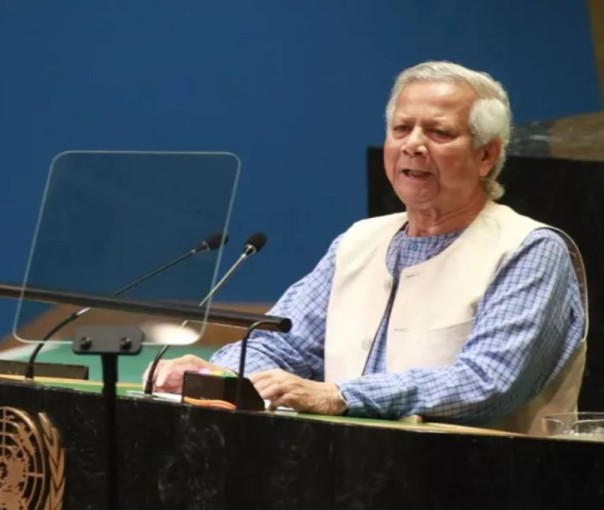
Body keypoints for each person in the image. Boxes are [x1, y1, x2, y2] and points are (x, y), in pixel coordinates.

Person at [147, 61, 588, 434]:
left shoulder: (529, 250)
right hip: (352, 474)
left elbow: (488, 382)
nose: (413, 144)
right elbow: (283, 346)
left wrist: (340, 396)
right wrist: (217, 374)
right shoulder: (358, 241)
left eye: (438, 132)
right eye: (402, 128)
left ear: (486, 156)